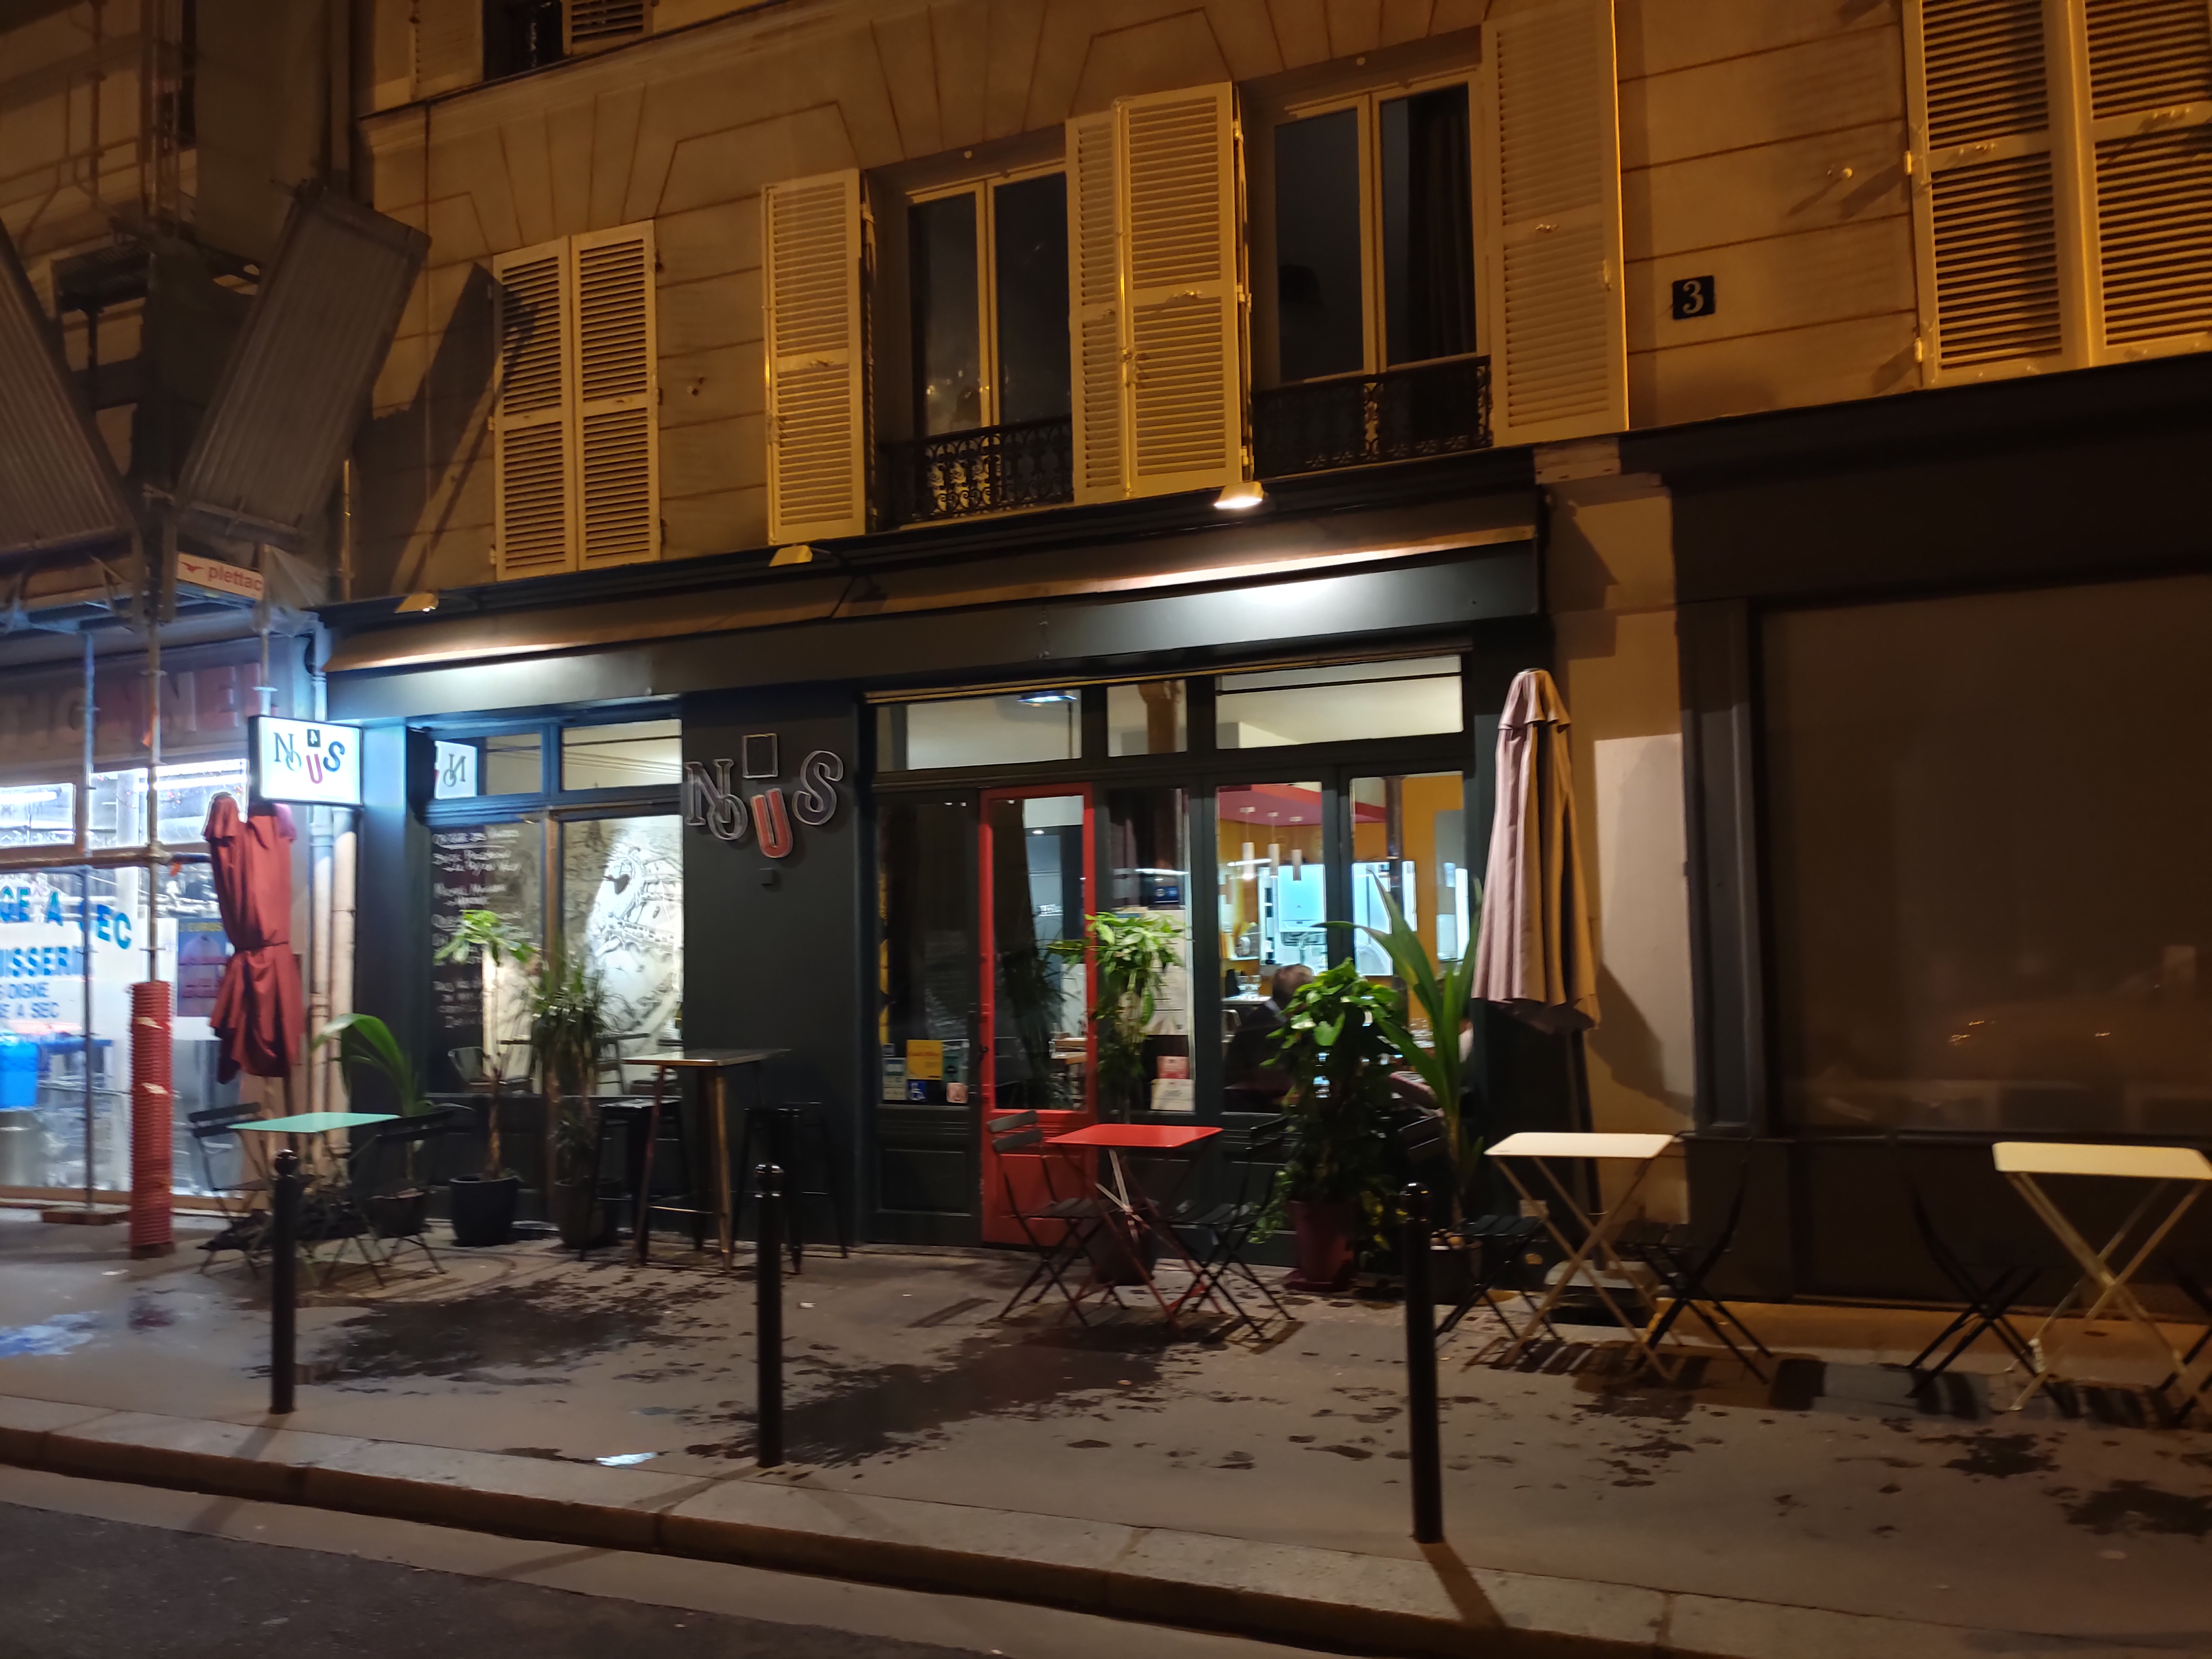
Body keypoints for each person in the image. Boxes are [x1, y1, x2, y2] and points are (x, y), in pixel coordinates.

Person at [1223, 963, 1314, 1109]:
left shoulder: (1271, 1018)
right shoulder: (1265, 1028)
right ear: (1301, 1001)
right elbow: (1276, 1089)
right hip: (1248, 1111)